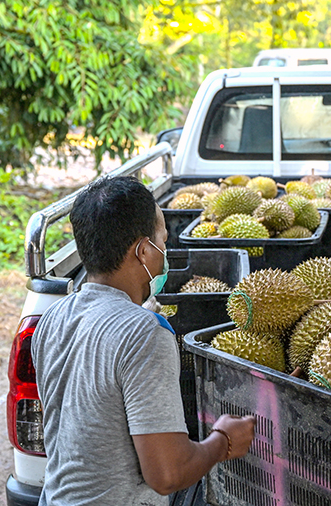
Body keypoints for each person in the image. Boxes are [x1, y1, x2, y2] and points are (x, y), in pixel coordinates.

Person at [32, 176, 255, 505]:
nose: (164, 253)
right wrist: (223, 441)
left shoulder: (52, 319)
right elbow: (168, 474)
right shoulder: (145, 333)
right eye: (163, 242)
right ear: (143, 251)